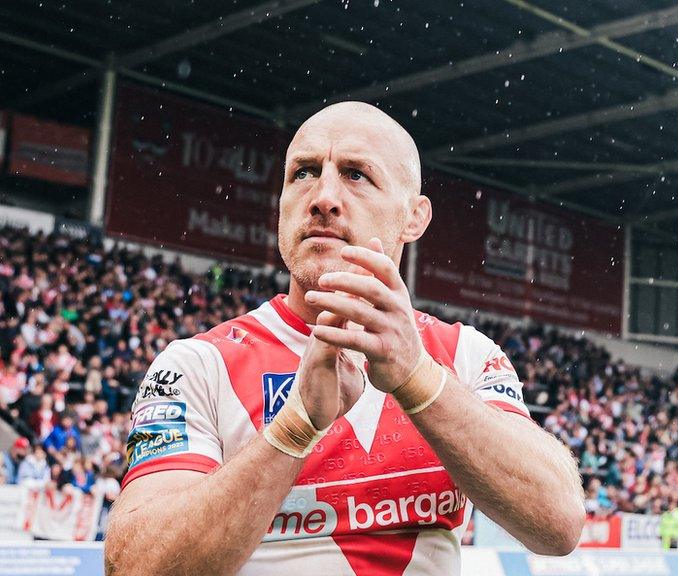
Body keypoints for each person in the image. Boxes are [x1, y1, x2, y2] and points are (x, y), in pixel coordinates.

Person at [104, 103, 585, 575]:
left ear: (414, 217)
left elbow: (558, 525)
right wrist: (294, 429)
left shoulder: (467, 356)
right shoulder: (197, 365)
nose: (323, 197)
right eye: (304, 173)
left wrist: (418, 379)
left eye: (356, 174)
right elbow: (134, 568)